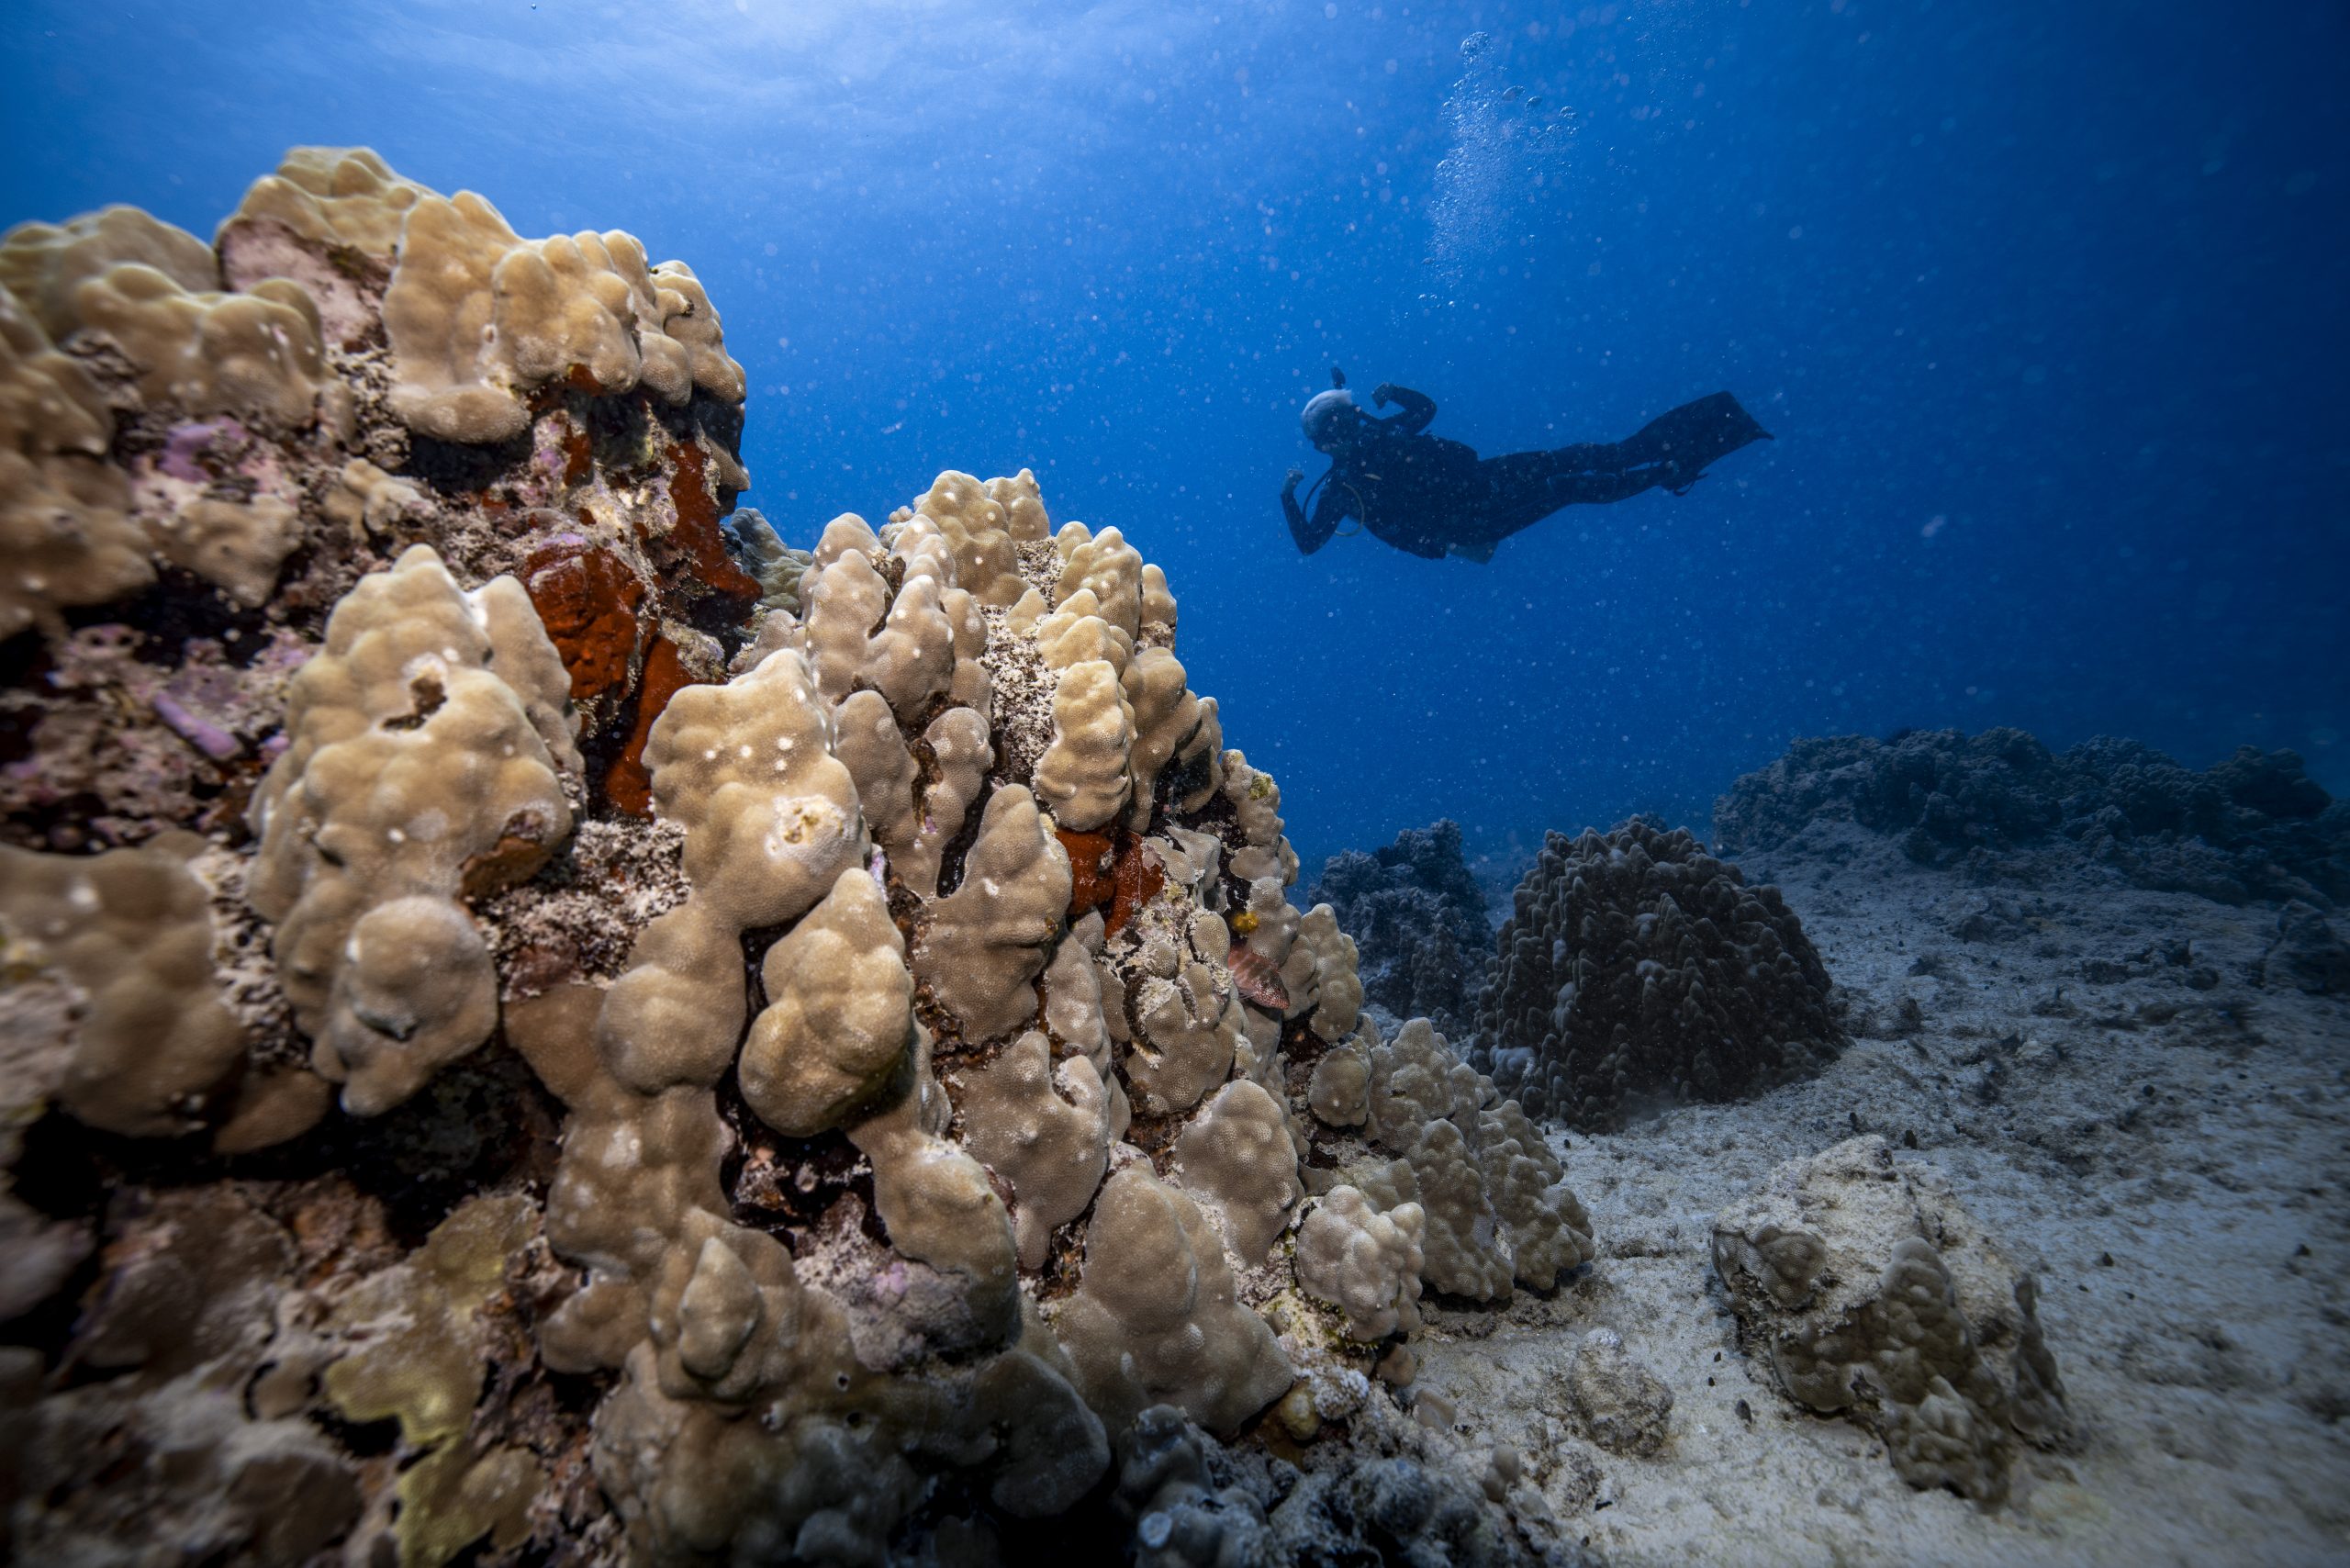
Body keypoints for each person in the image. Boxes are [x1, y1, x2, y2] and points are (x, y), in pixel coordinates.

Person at [1280, 369, 1772, 562]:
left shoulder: (1382, 437)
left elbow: (1425, 411)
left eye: (1350, 417)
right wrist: (1287, 496)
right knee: (1570, 486)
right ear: (1327, 444)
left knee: (1581, 459)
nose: (1353, 429)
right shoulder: (1342, 488)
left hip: (1484, 478)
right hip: (1472, 519)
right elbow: (1309, 543)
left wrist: (1396, 393)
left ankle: (1713, 423)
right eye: (1339, 428)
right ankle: (1673, 468)